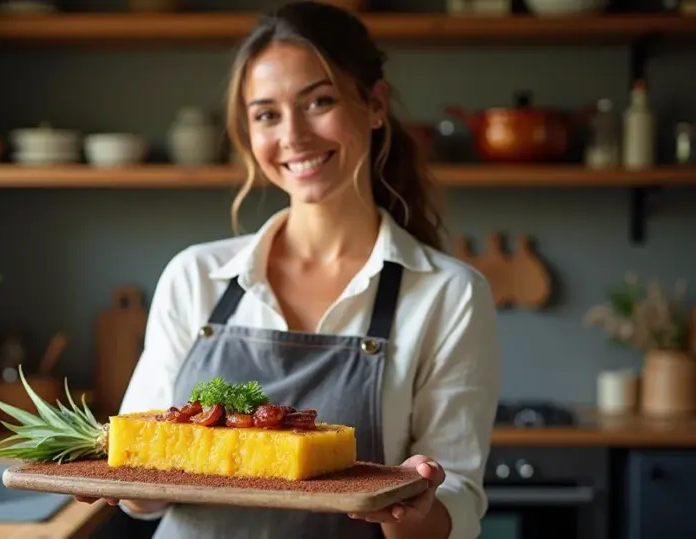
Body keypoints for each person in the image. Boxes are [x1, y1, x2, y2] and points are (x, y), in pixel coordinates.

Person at [75, 2, 501, 538]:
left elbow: (456, 499)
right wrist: (120, 477)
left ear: (375, 104)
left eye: (318, 102)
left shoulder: (448, 294)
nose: (293, 135)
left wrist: (413, 511)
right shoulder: (195, 275)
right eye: (267, 114)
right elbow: (143, 497)